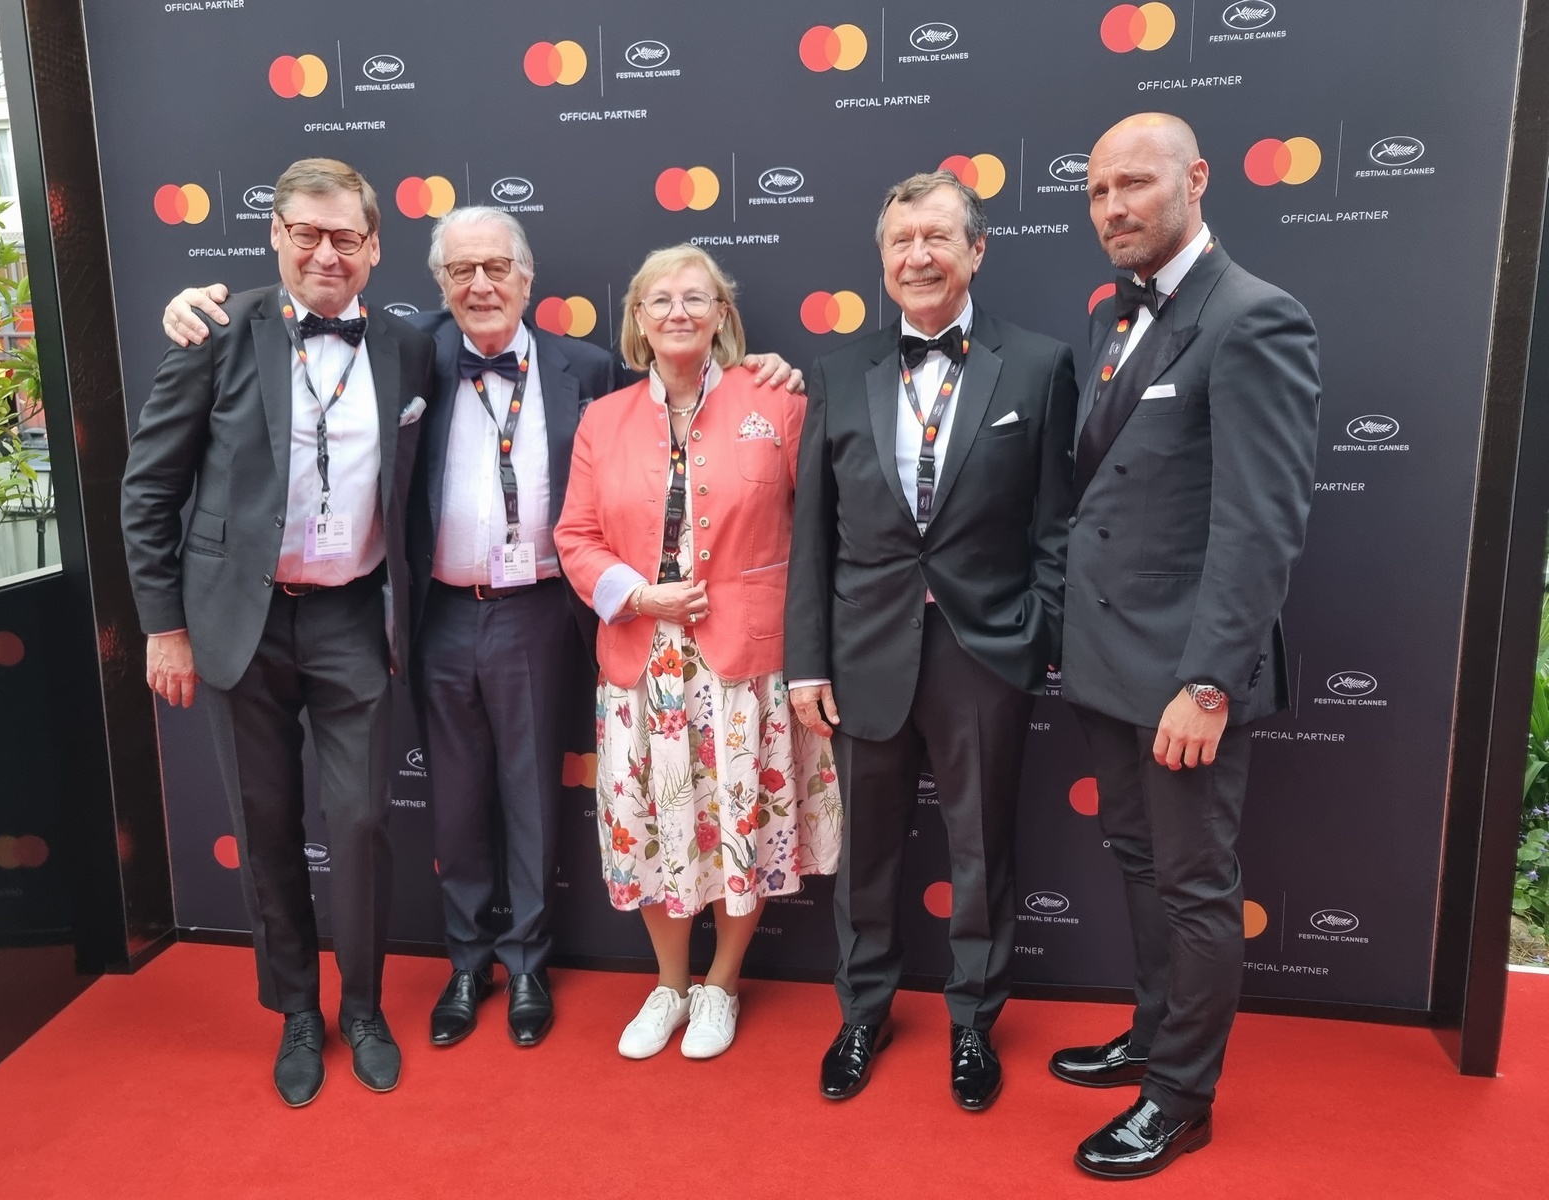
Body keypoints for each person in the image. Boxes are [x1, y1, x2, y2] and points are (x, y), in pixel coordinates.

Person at [161, 216, 802, 1052]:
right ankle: (469, 962)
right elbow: (296, 313)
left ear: (529, 277)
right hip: (436, 612)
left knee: (534, 797)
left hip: (540, 611)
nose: (480, 285)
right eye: (460, 271)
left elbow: (682, 426)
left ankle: (530, 962)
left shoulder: (593, 373)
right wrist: (191, 305)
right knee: (456, 801)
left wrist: (768, 368)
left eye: (497, 267)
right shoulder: (406, 353)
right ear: (438, 284)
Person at [121, 158, 434, 1105]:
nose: (326, 252)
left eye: (346, 237)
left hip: (352, 612)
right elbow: (149, 490)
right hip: (237, 621)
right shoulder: (216, 330)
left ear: (376, 248)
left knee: (363, 820)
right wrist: (164, 627)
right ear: (276, 235)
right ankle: (297, 1009)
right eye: (307, 232)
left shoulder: (408, 348)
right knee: (264, 827)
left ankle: (365, 1003)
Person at [1051, 113, 1319, 1179]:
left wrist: (1208, 683)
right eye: (1097, 192)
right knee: (1136, 863)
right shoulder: (1128, 319)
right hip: (1109, 667)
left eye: (1135, 185)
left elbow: (1261, 524)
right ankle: (1155, 1034)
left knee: (1194, 886)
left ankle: (1180, 1098)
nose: (1114, 208)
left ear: (1196, 180)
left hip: (1182, 678)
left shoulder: (1254, 319)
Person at [784, 170, 1077, 1110]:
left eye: (938, 238)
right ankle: (863, 1009)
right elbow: (812, 538)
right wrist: (807, 659)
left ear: (976, 250)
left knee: (982, 849)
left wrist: (1040, 632)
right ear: (881, 259)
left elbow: (1056, 525)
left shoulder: (1037, 366)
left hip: (986, 652)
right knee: (866, 849)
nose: (918, 256)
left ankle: (973, 1023)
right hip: (865, 651)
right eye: (901, 241)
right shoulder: (834, 373)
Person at [556, 245, 842, 1061]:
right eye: (659, 300)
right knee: (654, 826)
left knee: (735, 825)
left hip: (745, 666)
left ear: (723, 313)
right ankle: (669, 984)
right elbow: (574, 536)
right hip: (640, 664)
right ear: (637, 322)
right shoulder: (600, 419)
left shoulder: (777, 400)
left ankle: (721, 983)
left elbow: (817, 531)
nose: (678, 312)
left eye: (696, 297)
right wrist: (636, 594)